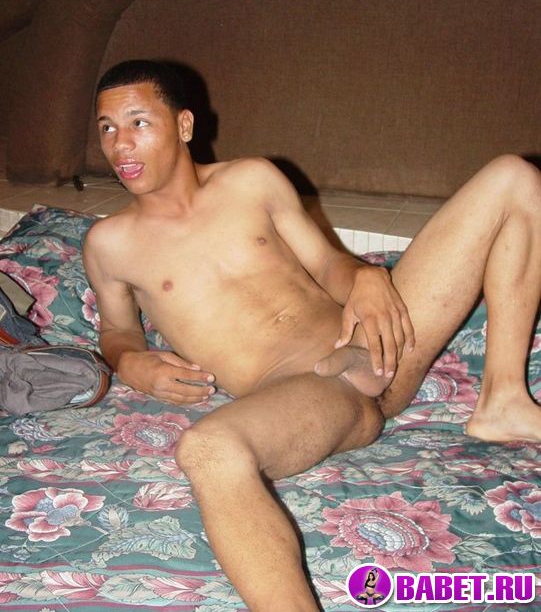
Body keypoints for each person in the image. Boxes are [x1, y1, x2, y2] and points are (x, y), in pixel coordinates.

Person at [83, 59, 541, 612]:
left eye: (138, 123)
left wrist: (365, 278)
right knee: (210, 449)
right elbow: (118, 331)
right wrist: (132, 362)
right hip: (315, 390)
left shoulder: (251, 180)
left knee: (514, 177)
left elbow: (327, 264)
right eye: (107, 128)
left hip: (380, 339)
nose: (121, 144)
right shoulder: (110, 244)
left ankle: (503, 399)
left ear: (183, 125)